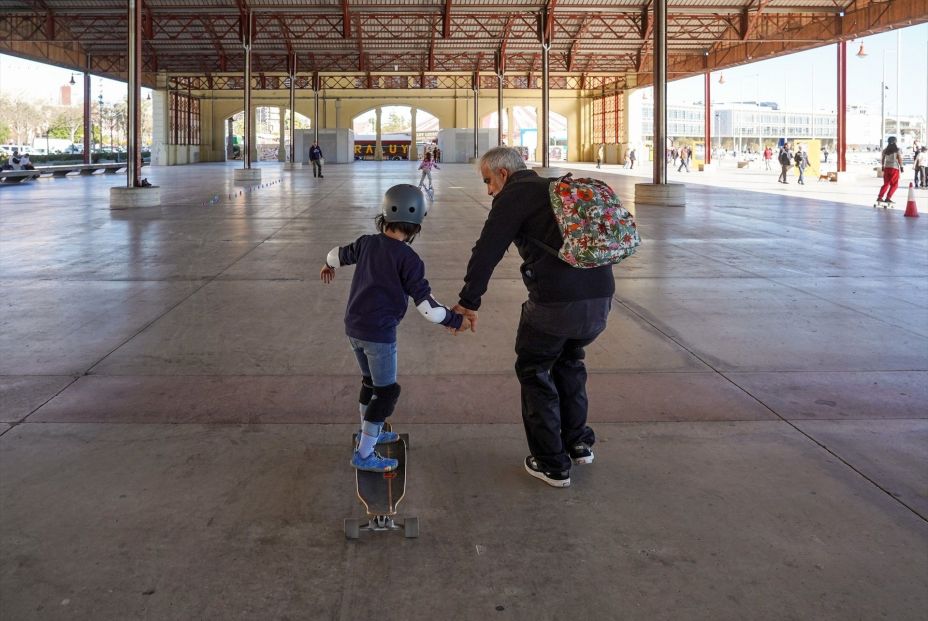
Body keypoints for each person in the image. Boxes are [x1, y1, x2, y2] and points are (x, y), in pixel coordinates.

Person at [452, 146, 615, 488]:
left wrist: (469, 301)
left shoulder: (515, 196)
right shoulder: (557, 189)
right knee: (570, 361)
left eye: (488, 181)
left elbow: (487, 251)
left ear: (504, 174)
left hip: (556, 304)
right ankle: (579, 443)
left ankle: (551, 463)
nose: (488, 191)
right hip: (600, 298)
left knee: (535, 369)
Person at [320, 184, 468, 472]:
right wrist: (456, 320)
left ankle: (369, 431)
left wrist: (329, 266)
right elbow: (428, 308)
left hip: (353, 328)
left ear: (384, 216)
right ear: (416, 225)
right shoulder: (409, 259)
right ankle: (364, 453)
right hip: (379, 335)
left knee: (369, 383)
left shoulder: (366, 243)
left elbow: (335, 254)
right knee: (386, 392)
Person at [876, 136, 904, 205]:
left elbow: (882, 159)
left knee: (886, 183)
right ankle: (888, 198)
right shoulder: (897, 150)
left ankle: (880, 197)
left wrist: (882, 166)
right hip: (894, 168)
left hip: (886, 168)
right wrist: (901, 167)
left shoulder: (885, 150)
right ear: (895, 141)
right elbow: (900, 159)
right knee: (895, 185)